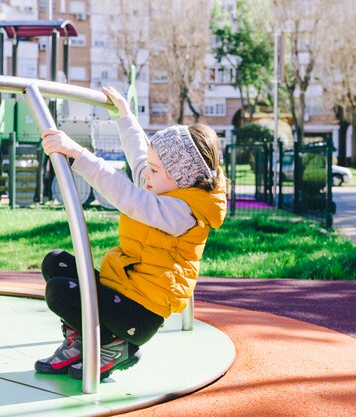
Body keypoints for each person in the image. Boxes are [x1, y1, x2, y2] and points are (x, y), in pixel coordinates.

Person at [35, 86, 227, 380]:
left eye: (154, 170)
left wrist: (77, 154)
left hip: (139, 314)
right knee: (55, 261)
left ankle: (115, 346)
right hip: (121, 292)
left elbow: (129, 198)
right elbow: (139, 157)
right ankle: (81, 342)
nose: (145, 175)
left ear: (180, 179)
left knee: (60, 293)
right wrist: (124, 116)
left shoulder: (182, 214)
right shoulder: (159, 184)